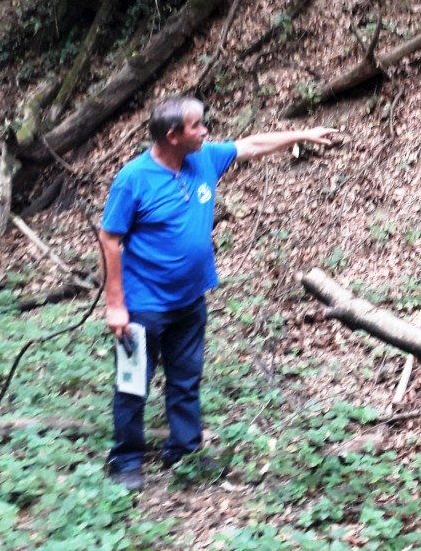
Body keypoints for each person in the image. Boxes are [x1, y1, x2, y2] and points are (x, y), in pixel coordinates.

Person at [99, 95, 337, 491]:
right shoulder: (134, 179)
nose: (205, 131)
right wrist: (115, 305)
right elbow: (110, 240)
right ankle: (125, 461)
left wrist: (303, 133)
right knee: (132, 384)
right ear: (173, 135)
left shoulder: (203, 159)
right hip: (143, 306)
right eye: (197, 126)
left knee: (186, 380)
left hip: (190, 301)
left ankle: (185, 453)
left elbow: (251, 145)